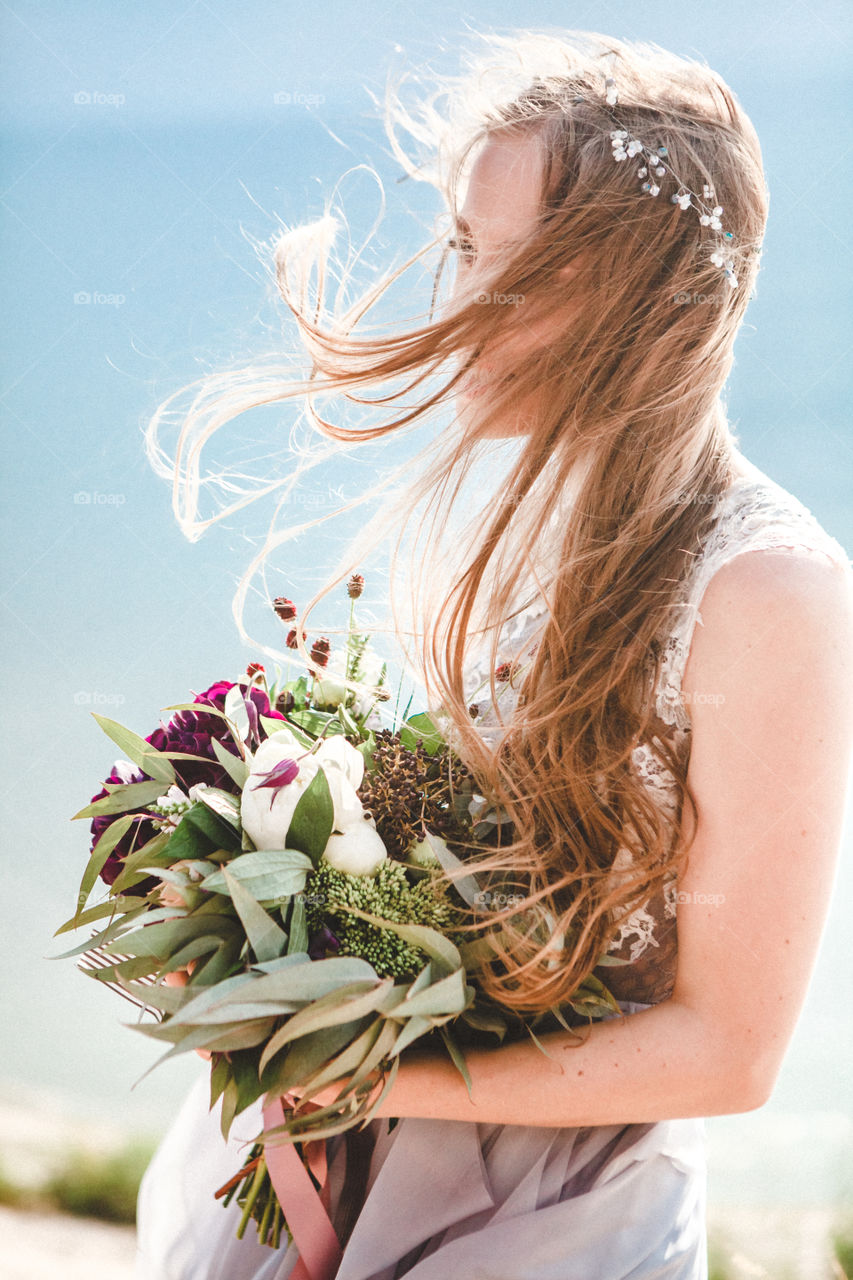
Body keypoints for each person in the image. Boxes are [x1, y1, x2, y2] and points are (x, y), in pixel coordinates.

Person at [135, 29, 852, 1280]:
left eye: (508, 270)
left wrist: (370, 1072)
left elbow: (730, 1049)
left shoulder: (767, 589)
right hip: (382, 1148)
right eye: (460, 249)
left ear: (644, 298)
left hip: (554, 1211)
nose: (455, 308)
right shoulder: (558, 506)